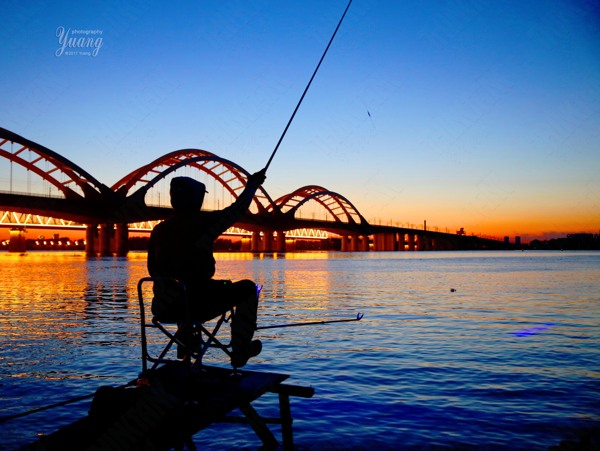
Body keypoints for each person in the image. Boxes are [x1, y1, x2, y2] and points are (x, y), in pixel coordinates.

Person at [147, 168, 267, 368]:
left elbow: (154, 270)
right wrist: (252, 186)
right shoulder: (202, 224)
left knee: (186, 291)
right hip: (194, 304)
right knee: (247, 288)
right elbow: (236, 211)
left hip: (163, 307)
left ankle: (185, 343)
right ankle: (240, 350)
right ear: (194, 199)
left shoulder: (159, 230)